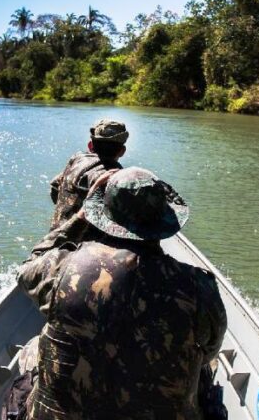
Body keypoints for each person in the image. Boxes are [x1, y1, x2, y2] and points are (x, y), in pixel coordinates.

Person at [18, 167, 227, 420]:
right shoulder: (199, 288)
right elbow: (209, 351)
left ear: (102, 216)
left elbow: (28, 267)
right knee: (205, 370)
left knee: (32, 348)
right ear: (163, 221)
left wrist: (80, 217)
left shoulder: (62, 269)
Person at [49, 119, 128, 231]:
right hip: (83, 244)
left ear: (90, 146)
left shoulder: (78, 158)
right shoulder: (115, 177)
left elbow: (55, 186)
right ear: (122, 151)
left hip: (54, 236)